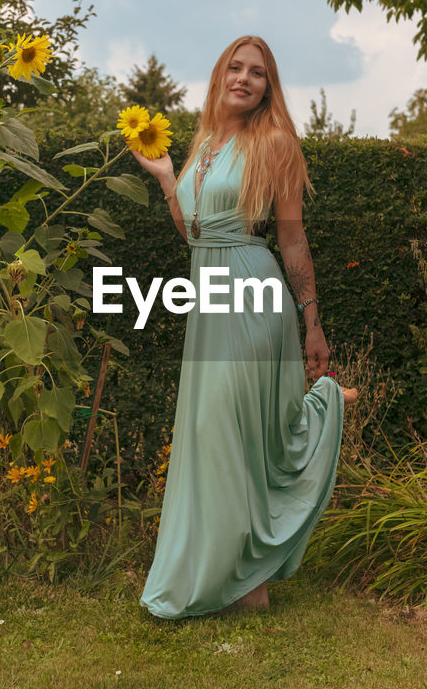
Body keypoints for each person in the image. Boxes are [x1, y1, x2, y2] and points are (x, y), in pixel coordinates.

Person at [130, 35, 358, 618]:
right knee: (215, 437)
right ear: (219, 75)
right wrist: (164, 179)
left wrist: (313, 322)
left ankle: (248, 581)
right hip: (208, 296)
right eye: (236, 67)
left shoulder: (276, 142)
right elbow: (196, 235)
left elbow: (291, 236)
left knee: (229, 431)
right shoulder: (203, 140)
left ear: (267, 86)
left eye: (257, 72)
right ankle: (244, 581)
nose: (244, 78)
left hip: (253, 296)